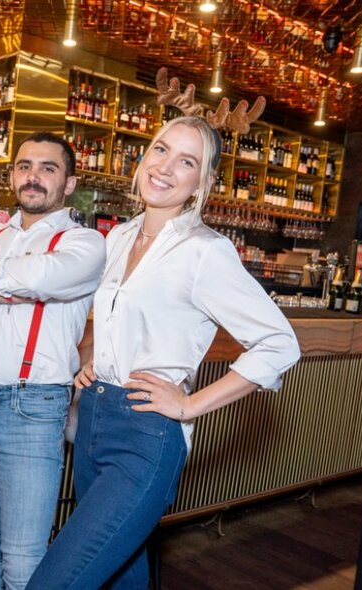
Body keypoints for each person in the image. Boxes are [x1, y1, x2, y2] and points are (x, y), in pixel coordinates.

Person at [26, 115, 301, 590]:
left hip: (146, 433)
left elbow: (279, 343)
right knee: (121, 578)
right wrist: (94, 361)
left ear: (202, 183)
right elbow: (117, 319)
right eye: (160, 150)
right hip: (93, 420)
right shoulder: (117, 238)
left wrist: (189, 404)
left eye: (186, 161)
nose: (166, 167)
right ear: (141, 158)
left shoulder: (205, 251)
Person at [0, 132, 106, 590]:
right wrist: (18, 286)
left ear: (69, 183)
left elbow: (45, 275)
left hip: (34, 409)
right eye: (24, 166)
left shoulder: (86, 243)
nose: (32, 176)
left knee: (23, 557)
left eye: (48, 168)